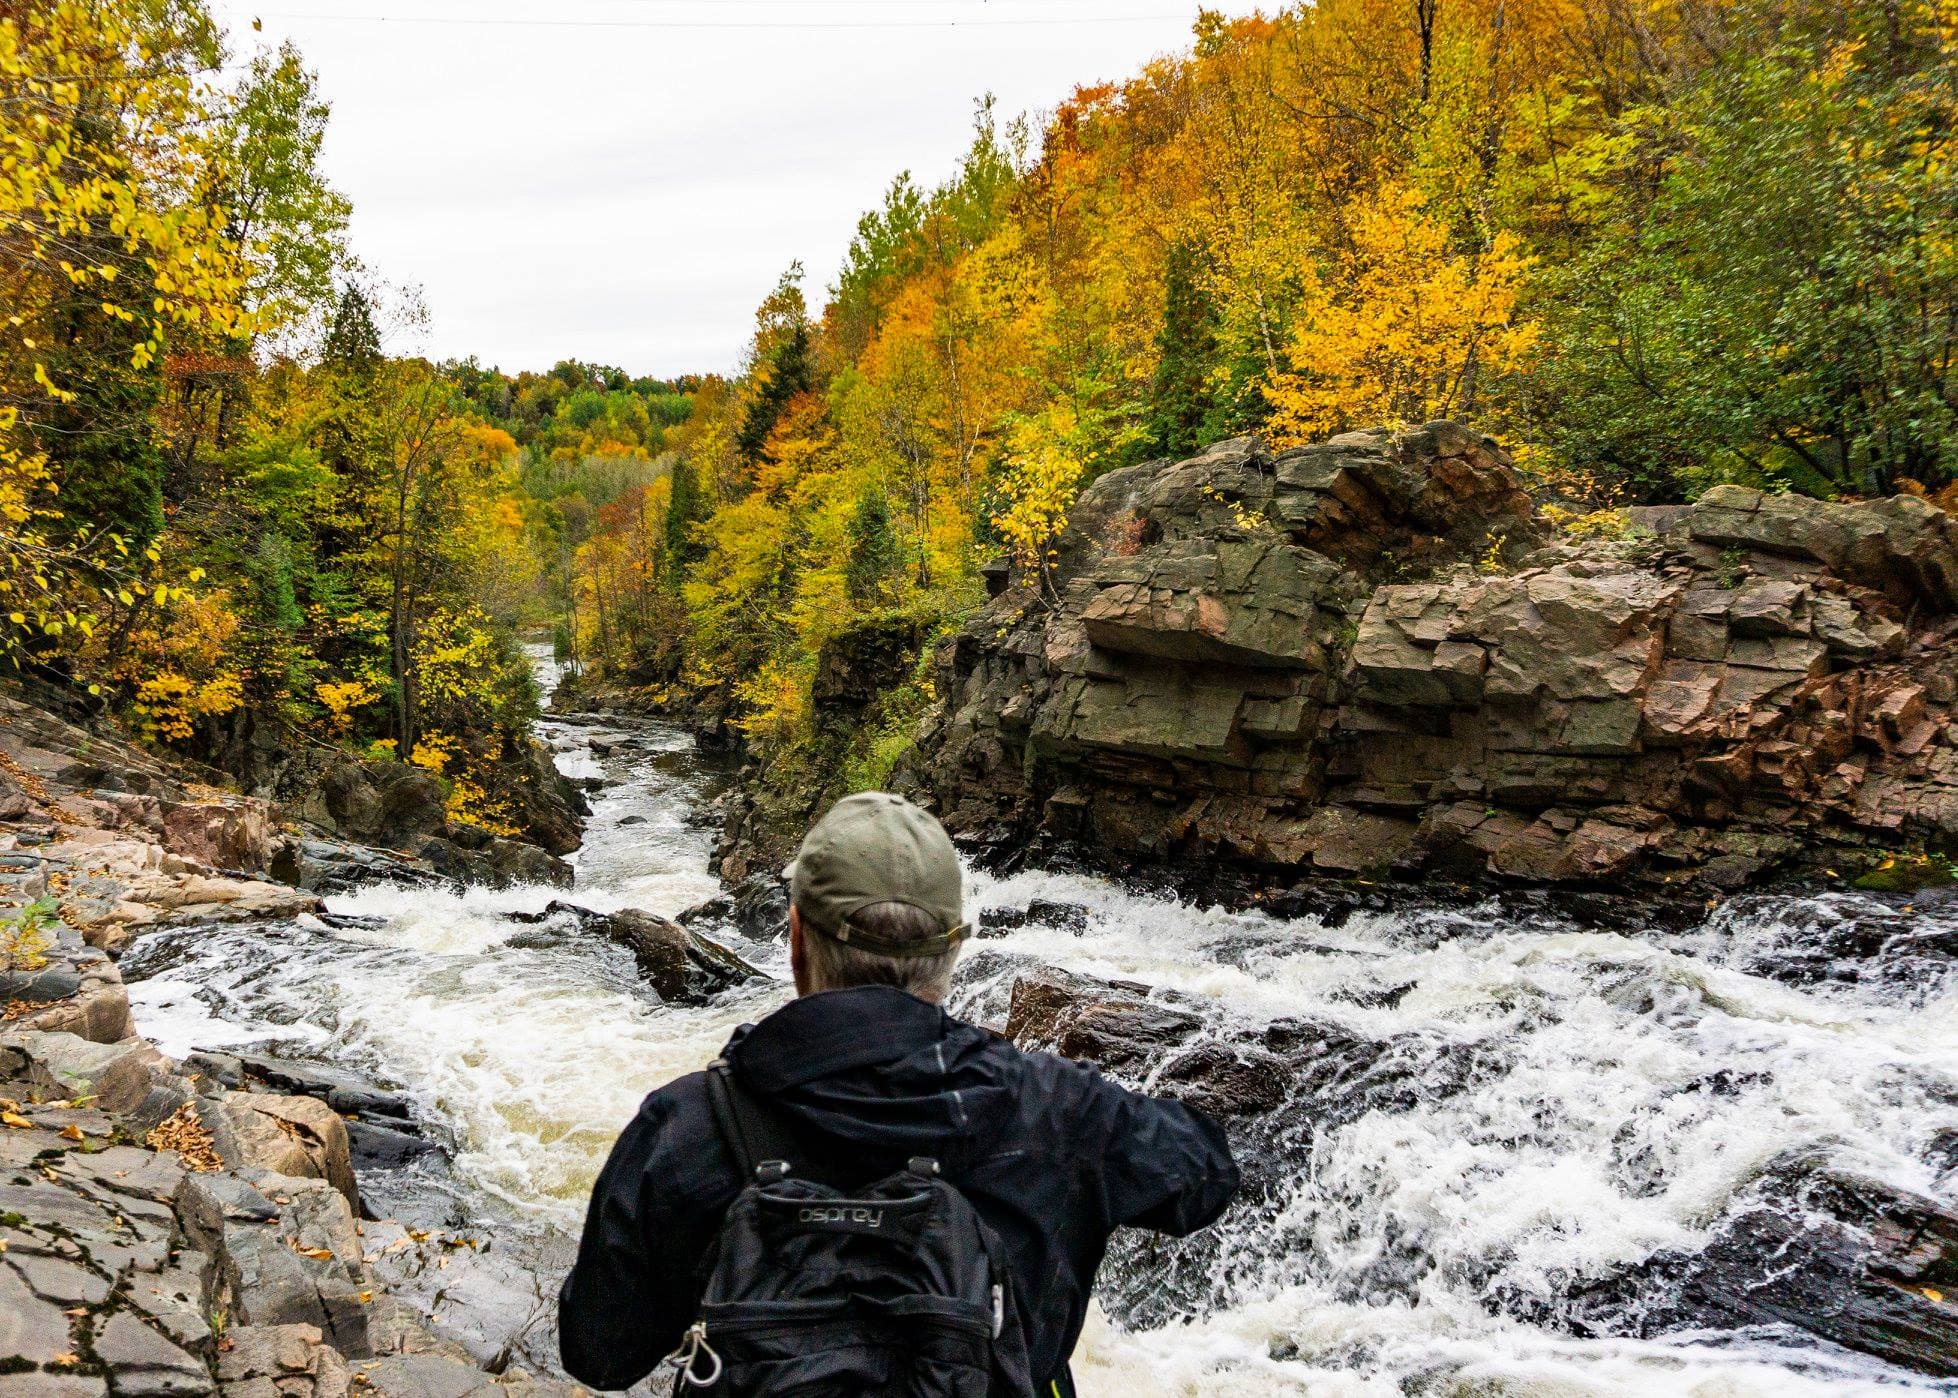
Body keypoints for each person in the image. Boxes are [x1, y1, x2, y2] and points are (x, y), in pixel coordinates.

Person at [558, 791, 1239, 1395]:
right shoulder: (1056, 1110)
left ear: (795, 939)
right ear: (951, 955)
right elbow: (1205, 1177)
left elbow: (600, 1356)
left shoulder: (685, 1125)